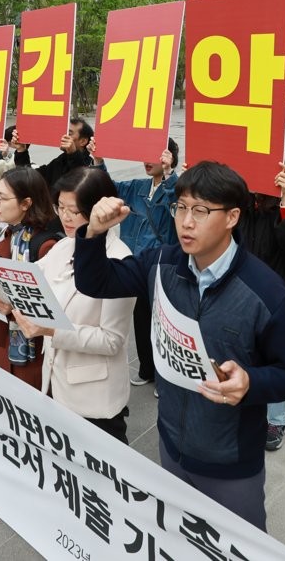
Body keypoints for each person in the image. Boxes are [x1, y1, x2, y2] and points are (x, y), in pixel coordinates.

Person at [73, 161, 285, 530]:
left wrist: (251, 383)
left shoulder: (267, 293)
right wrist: (92, 235)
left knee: (239, 546)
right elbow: (96, 282)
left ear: (233, 216)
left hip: (232, 465)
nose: (186, 222)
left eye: (201, 211)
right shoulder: (162, 264)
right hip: (171, 445)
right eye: (181, 207)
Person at [2, 168, 135, 442]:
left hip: (95, 399)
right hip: (56, 383)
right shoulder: (65, 246)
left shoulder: (121, 259)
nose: (65, 217)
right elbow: (27, 282)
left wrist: (50, 330)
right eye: (60, 207)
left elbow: (111, 340)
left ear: (100, 210)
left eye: (74, 211)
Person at [0, 167, 63, 387]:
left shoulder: (47, 246)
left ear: (26, 203)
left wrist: (13, 309)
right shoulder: (10, 233)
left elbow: (53, 309)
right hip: (4, 337)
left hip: (33, 347)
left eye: (3, 198)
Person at [90, 138, 179, 389]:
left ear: (168, 157)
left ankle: (166, 379)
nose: (147, 162)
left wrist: (171, 175)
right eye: (145, 155)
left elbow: (180, 198)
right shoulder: (137, 187)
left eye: (154, 156)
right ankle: (147, 368)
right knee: (141, 320)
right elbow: (109, 190)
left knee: (164, 324)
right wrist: (98, 162)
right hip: (136, 264)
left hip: (163, 267)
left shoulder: (176, 187)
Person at [236, 161, 285, 451]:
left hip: (274, 301)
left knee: (276, 358)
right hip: (240, 296)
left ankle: (276, 420)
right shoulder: (241, 210)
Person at [12, 119, 93, 185]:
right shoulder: (61, 160)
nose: (63, 136)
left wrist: (73, 154)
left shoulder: (91, 167)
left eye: (69, 133)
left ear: (83, 141)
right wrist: (21, 150)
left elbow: (79, 183)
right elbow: (32, 178)